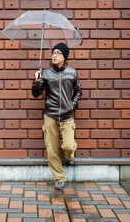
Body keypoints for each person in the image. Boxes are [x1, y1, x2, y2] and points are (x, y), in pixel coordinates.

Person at [31, 42, 82, 190]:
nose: (54, 55)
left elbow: (78, 91)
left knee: (68, 146)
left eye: (58, 53)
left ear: (64, 56)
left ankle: (69, 156)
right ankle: (59, 178)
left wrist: (73, 105)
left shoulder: (72, 72)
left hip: (68, 116)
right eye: (53, 52)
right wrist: (36, 81)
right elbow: (36, 93)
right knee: (52, 149)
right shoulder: (45, 73)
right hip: (51, 115)